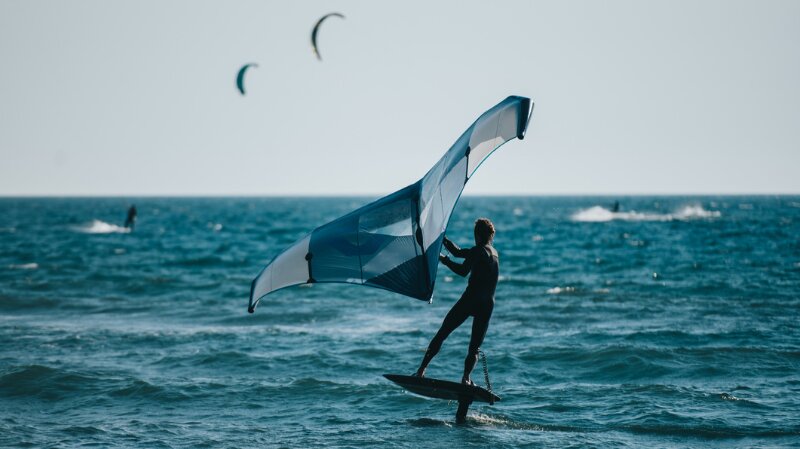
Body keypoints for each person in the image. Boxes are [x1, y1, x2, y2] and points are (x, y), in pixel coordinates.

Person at [415, 218, 499, 421]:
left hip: (472, 299)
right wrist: (442, 240)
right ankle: (466, 378)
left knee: (443, 332)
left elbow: (462, 270)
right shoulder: (493, 252)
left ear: (477, 234)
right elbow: (459, 252)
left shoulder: (478, 251)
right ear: (490, 236)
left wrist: (441, 258)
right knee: (474, 347)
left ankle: (421, 371)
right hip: (487, 304)